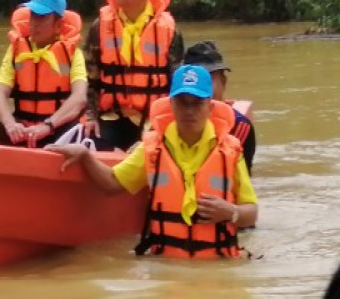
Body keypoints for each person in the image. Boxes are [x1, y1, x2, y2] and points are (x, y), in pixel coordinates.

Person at [48, 65, 258, 258]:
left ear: (211, 108)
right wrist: (84, 155)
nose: (189, 110)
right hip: (167, 268)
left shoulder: (230, 151)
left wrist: (232, 212)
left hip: (217, 269)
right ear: (171, 104)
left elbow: (252, 211)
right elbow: (112, 183)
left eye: (197, 102)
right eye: (182, 102)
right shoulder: (152, 148)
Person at [84, 0, 184, 151]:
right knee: (96, 151)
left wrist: (162, 127)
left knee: (152, 153)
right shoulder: (100, 26)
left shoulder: (169, 30)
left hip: (153, 117)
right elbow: (90, 78)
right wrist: (90, 117)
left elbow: (176, 86)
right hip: (112, 114)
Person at [0, 0, 87, 148]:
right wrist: (10, 124)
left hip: (56, 130)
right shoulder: (15, 50)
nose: (34, 23)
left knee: (74, 130)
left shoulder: (72, 54)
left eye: (42, 17)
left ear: (58, 25)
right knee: (2, 128)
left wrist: (47, 126)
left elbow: (79, 98)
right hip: (23, 131)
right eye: (33, 15)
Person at [184, 40, 257, 173]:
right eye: (197, 81)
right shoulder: (162, 126)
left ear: (223, 82)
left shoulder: (240, 128)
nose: (201, 90)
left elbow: (243, 186)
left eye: (208, 80)